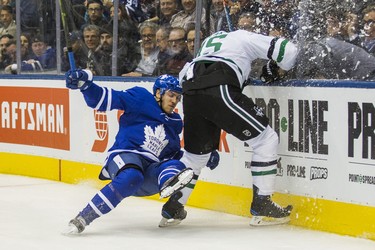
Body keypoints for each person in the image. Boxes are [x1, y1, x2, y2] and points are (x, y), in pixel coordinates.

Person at [159, 30, 298, 227]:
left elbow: (184, 75)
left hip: (191, 92)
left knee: (196, 157)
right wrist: (278, 68)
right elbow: (287, 51)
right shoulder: (242, 36)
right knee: (266, 139)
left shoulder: (208, 42)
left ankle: (173, 208)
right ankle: (263, 203)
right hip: (219, 85)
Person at [63, 71, 196, 234]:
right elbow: (100, 99)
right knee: (132, 176)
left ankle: (168, 186)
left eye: (178, 97)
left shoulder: (175, 123)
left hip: (148, 173)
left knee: (176, 165)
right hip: (125, 157)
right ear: (158, 92)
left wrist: (203, 151)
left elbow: (172, 153)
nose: (175, 101)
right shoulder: (140, 98)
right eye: (171, 95)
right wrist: (85, 85)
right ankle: (82, 219)